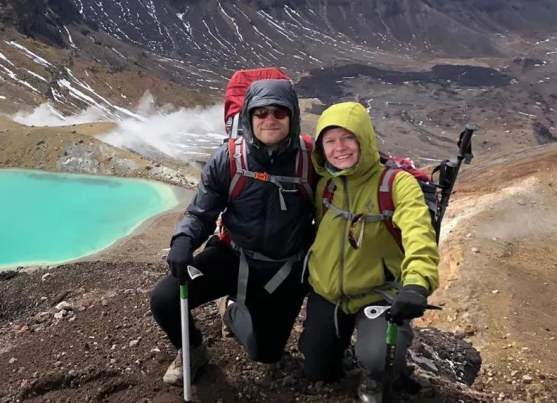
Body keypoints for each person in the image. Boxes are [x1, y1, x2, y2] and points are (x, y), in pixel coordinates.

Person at [149, 79, 316, 385]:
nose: (269, 119)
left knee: (264, 354)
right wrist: (184, 239)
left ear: (292, 116)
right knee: (164, 299)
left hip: (284, 268)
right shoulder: (228, 158)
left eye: (278, 112)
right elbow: (202, 210)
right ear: (249, 117)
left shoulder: (311, 159)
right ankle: (194, 350)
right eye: (260, 112)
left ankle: (231, 308)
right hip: (233, 255)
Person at [298, 102, 440, 403]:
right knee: (317, 368)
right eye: (330, 141)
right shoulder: (326, 183)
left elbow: (418, 231)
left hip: (379, 292)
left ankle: (376, 374)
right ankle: (348, 352)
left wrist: (416, 281)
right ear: (322, 148)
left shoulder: (396, 183)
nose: (340, 148)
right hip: (328, 292)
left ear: (365, 138)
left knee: (381, 362)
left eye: (349, 137)